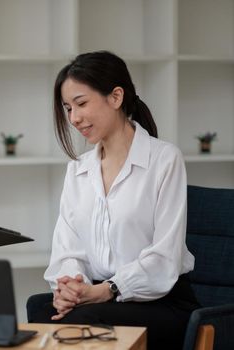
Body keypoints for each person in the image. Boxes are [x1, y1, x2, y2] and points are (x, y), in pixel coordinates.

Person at [28, 51, 200, 349]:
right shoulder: (78, 170)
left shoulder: (164, 159)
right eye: (68, 108)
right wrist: (70, 288)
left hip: (160, 302)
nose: (74, 118)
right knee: (39, 307)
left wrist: (107, 290)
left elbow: (163, 259)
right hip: (98, 298)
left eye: (81, 104)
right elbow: (68, 249)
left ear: (116, 97)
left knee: (82, 320)